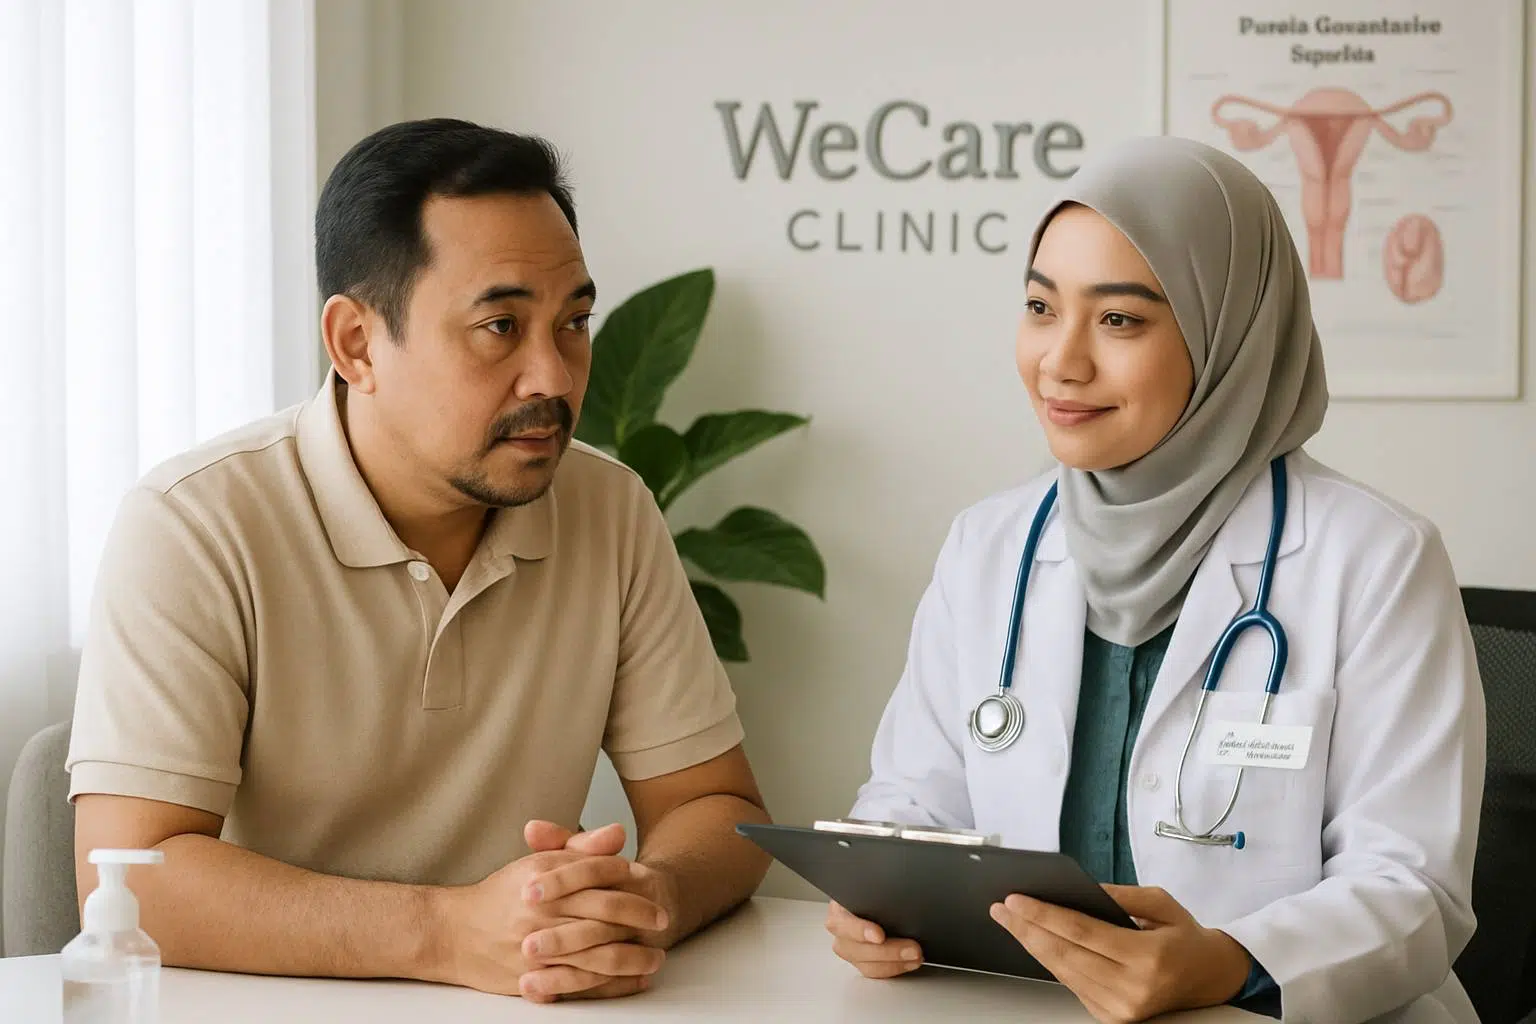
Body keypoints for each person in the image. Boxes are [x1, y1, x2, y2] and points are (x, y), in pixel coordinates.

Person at [66, 118, 772, 1004]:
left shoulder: (609, 508)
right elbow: (134, 881)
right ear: (357, 343)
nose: (553, 377)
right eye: (500, 326)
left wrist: (644, 897)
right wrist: (445, 931)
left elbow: (720, 809)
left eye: (575, 322)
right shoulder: (195, 524)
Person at [824, 136, 1485, 1024]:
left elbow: (1412, 890)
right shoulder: (987, 547)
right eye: (1039, 307)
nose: (1061, 361)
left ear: (1226, 336)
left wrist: (1225, 962)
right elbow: (915, 794)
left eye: (1120, 320)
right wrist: (877, 879)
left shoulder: (1375, 558)